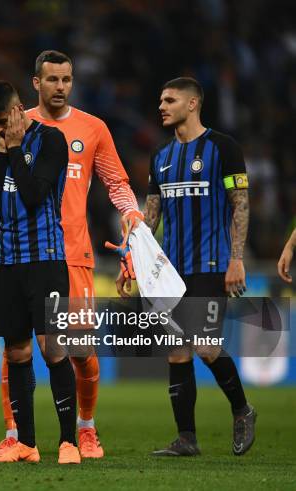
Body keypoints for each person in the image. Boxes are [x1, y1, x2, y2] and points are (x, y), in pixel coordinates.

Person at [0, 50, 143, 459]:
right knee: (16, 350)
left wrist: (131, 213)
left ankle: (84, 429)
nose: (60, 87)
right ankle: (16, 436)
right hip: (18, 254)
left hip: (71, 252)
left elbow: (116, 182)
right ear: (36, 83)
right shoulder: (8, 124)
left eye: (67, 79)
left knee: (77, 348)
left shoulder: (91, 128)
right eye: (52, 80)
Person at [118, 76, 256, 456]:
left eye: (169, 100)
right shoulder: (160, 157)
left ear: (192, 104)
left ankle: (242, 410)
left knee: (205, 346)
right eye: (161, 100)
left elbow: (239, 203)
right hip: (171, 270)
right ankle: (186, 439)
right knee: (177, 352)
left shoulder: (223, 148)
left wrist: (237, 259)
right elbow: (151, 216)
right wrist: (131, 259)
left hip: (210, 264)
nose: (161, 106)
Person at [0, 80, 79, 464]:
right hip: (5, 264)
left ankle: (68, 442)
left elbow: (34, 196)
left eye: (2, 121)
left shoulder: (51, 141)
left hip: (45, 262)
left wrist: (15, 148)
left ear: (19, 109)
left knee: (53, 348)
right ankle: (27, 444)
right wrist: (4, 150)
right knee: (16, 352)